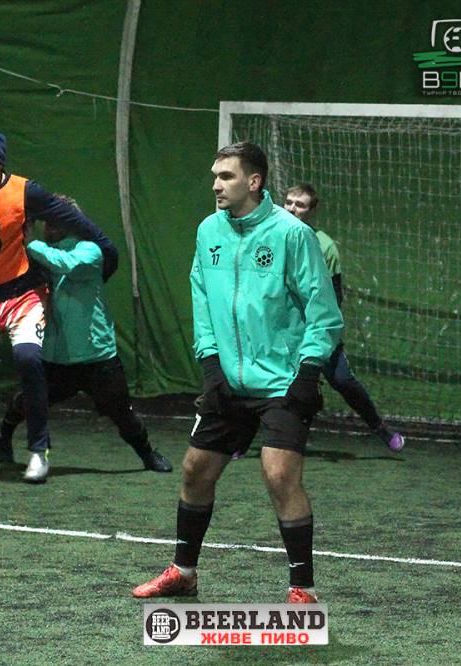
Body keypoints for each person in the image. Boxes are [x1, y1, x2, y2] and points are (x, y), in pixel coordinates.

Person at [132, 142, 343, 603]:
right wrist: (211, 364)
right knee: (195, 470)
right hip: (227, 381)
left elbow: (324, 313)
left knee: (279, 474)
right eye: (215, 175)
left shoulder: (292, 235)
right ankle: (184, 572)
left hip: (283, 381)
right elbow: (202, 299)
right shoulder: (209, 230)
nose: (215, 185)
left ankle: (302, 589)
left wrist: (308, 373)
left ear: (254, 181)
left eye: (226, 176)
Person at [0, 131, 118, 483]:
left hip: (23, 295)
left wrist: (107, 248)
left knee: (29, 360)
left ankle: (38, 452)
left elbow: (74, 220)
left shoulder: (25, 191)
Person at [0, 197, 172, 476]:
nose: (50, 226)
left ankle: (148, 455)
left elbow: (66, 264)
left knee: (122, 413)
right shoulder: (37, 254)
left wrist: (31, 244)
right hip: (56, 355)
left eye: (57, 220)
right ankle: (3, 434)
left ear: (73, 223)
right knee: (30, 400)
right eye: (47, 221)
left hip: (96, 356)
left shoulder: (90, 250)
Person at [283, 183, 404, 452]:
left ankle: (379, 428)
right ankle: (238, 440)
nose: (292, 209)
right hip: (282, 329)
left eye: (300, 205)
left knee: (341, 379)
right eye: (288, 202)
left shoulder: (325, 246)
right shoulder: (271, 237)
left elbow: (333, 296)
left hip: (316, 329)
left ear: (313, 210)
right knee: (263, 382)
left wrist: (321, 332)